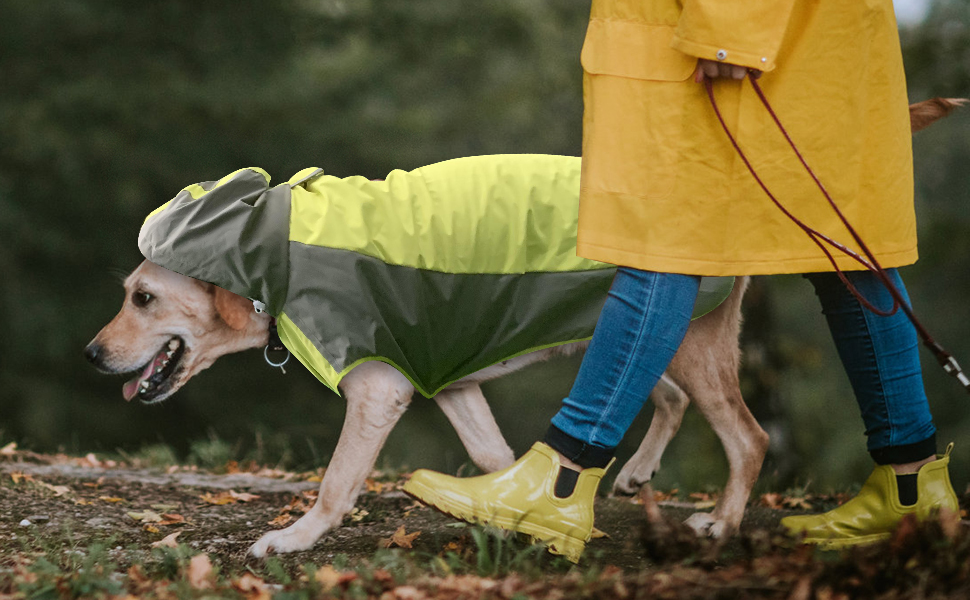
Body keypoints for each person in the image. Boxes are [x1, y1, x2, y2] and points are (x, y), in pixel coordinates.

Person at [403, 0, 958, 560]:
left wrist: (730, 29)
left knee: (665, 237)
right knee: (841, 248)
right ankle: (909, 482)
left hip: (728, 48)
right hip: (793, 44)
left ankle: (560, 478)